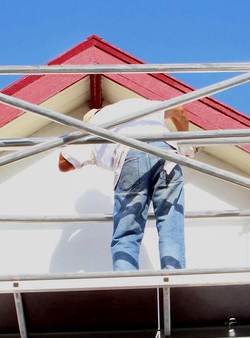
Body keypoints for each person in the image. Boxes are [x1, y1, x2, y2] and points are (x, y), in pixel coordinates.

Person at [58, 98, 190, 271]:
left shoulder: (93, 127)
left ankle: (127, 283)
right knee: (171, 222)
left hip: (130, 158)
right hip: (167, 154)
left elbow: (63, 163)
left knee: (127, 232)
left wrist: (79, 141)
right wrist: (186, 146)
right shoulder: (135, 104)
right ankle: (175, 277)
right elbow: (179, 110)